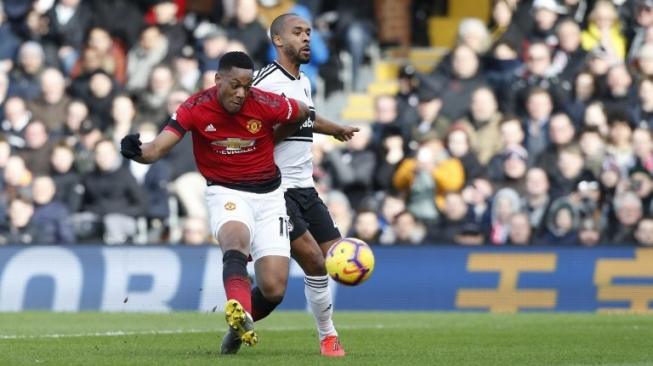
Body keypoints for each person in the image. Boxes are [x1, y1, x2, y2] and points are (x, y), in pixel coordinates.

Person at [119, 51, 311, 354]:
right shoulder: (195, 107)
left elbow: (302, 111)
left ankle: (237, 327)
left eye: (246, 86)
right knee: (235, 240)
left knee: (274, 290)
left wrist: (275, 136)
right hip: (226, 191)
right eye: (234, 85)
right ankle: (238, 306)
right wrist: (137, 152)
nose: (240, 93)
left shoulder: (265, 103)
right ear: (217, 79)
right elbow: (157, 148)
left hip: (271, 197)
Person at [251, 13, 358, 357]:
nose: (307, 38)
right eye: (298, 33)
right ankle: (328, 337)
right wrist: (291, 117)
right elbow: (254, 137)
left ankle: (241, 324)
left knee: (335, 258)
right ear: (278, 41)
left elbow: (306, 116)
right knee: (312, 262)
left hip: (305, 188)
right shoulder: (264, 84)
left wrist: (335, 128)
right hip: (275, 190)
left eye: (309, 33)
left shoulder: (303, 82)